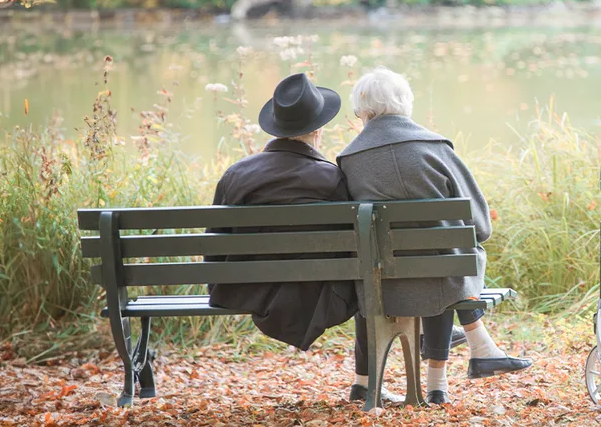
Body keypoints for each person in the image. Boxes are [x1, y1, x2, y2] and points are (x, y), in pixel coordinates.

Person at [204, 72, 460, 404]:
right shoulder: (330, 177)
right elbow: (356, 246)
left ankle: (365, 382)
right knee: (366, 274)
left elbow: (214, 245)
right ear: (318, 130)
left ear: (275, 127)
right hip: (318, 299)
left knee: (362, 269)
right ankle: (368, 380)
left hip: (246, 293)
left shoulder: (236, 174)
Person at [337, 67, 534, 405]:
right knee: (442, 257)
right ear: (405, 103)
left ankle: (467, 357)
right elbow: (481, 226)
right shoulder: (435, 147)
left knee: (433, 258)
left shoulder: (348, 159)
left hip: (379, 285)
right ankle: (439, 384)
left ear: (362, 110)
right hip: (440, 278)